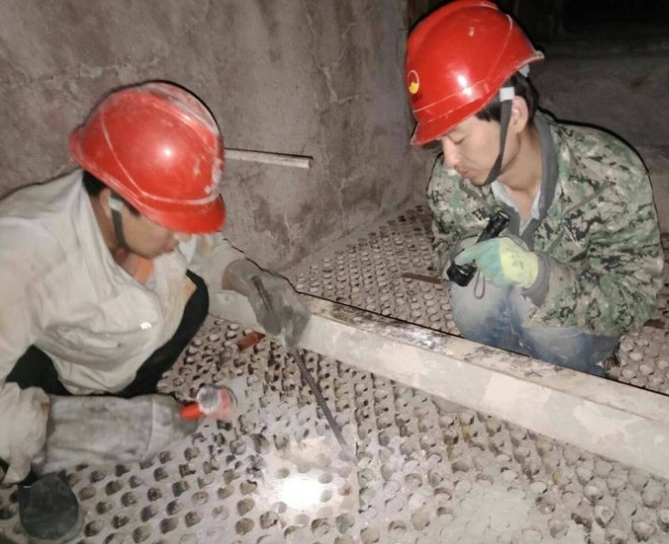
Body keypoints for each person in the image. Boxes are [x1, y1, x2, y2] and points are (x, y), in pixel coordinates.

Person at [0, 81, 309, 541]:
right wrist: (92, 427)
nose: (183, 236)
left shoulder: (141, 211)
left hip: (117, 348)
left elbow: (203, 245)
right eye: (172, 224)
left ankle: (129, 393)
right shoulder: (20, 254)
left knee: (194, 294)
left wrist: (247, 276)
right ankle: (36, 477)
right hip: (51, 370)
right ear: (115, 202)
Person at [405, 0, 664, 376]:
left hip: (577, 324)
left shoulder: (610, 174)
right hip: (507, 320)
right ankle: (508, 371)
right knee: (471, 298)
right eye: (440, 141)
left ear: (515, 115)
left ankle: (572, 373)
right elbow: (446, 243)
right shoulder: (451, 181)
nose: (448, 160)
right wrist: (459, 254)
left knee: (537, 315)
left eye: (457, 137)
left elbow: (635, 299)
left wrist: (540, 277)